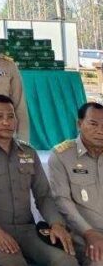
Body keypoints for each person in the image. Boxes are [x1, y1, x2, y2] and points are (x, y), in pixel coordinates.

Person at [0, 94, 77, 266]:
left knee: (66, 261)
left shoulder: (28, 152)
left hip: (26, 229)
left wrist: (56, 223)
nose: (6, 122)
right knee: (12, 262)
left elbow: (43, 195)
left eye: (11, 116)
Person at [48, 102, 103, 266]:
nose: (100, 130)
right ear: (79, 124)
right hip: (83, 236)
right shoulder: (62, 156)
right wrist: (89, 233)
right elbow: (62, 201)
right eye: (93, 124)